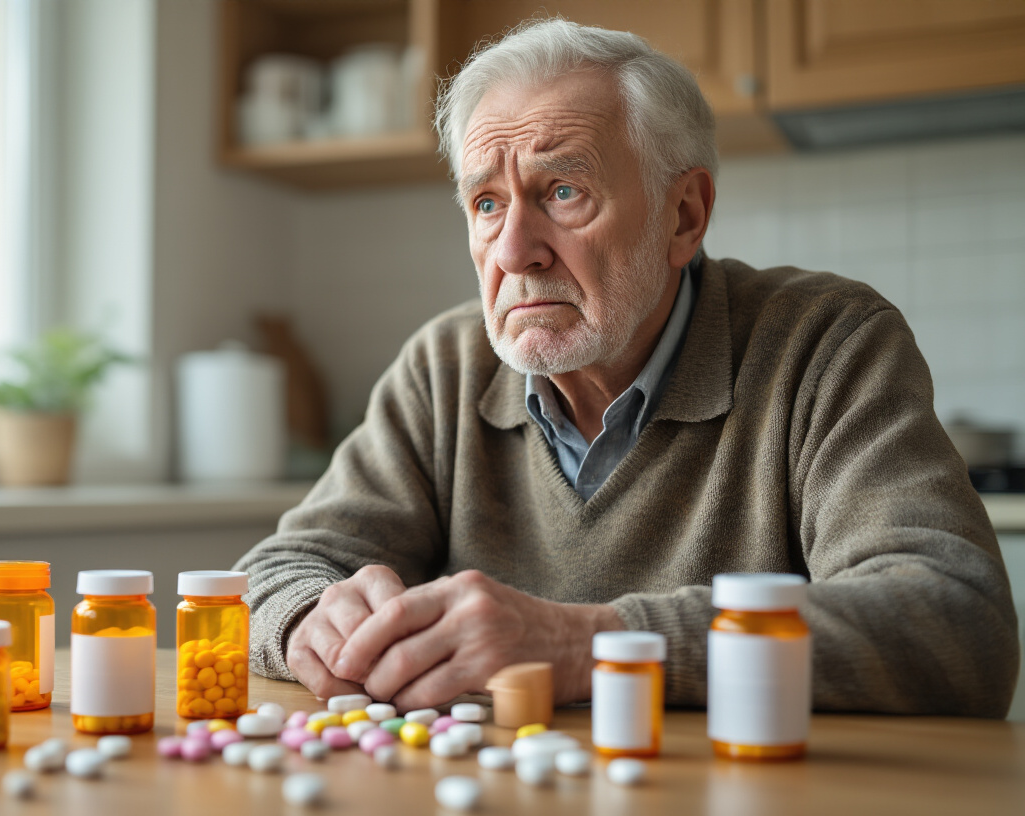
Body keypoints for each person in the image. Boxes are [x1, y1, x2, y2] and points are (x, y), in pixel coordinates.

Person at [232, 19, 1019, 717]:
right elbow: (276, 573)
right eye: (486, 204)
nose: (512, 252)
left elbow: (955, 622)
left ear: (684, 216)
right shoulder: (446, 365)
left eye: (563, 191)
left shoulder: (826, 344)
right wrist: (307, 616)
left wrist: (589, 644)